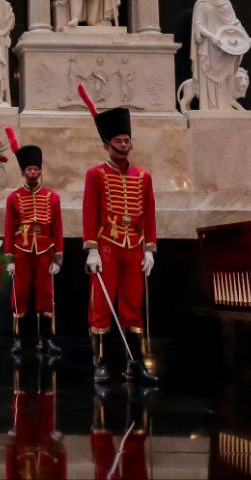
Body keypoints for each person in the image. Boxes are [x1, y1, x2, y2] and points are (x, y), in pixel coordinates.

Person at [77, 84, 158, 386]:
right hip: (108, 246)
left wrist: (149, 248)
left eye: (127, 140)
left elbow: (149, 212)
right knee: (101, 305)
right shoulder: (95, 175)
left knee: (132, 306)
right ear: (107, 145)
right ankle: (100, 363)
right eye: (119, 140)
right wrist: (91, 248)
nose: (125, 145)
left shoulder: (143, 176)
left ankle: (135, 365)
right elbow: (89, 211)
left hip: (134, 247)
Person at [3, 127, 64, 356]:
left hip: (45, 250)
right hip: (21, 251)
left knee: (46, 295)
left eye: (35, 168)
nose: (32, 172)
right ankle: (18, 339)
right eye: (29, 168)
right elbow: (9, 230)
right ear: (23, 172)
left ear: (40, 171)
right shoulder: (13, 198)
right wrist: (9, 258)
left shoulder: (53, 198)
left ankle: (47, 339)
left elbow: (57, 229)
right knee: (19, 294)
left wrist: (58, 258)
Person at [190, 0, 251, 111]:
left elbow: (235, 22)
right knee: (209, 75)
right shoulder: (202, 4)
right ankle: (210, 106)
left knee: (227, 76)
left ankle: (224, 105)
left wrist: (246, 37)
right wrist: (212, 36)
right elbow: (199, 26)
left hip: (226, 47)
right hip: (210, 45)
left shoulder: (226, 3)